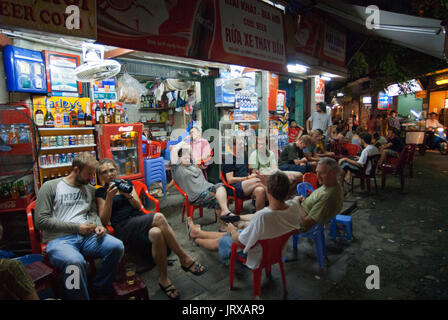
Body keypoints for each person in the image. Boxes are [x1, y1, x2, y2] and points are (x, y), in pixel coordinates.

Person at [95, 158, 206, 300]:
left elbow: (138, 206)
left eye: (112, 170)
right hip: (122, 227)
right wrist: (110, 198)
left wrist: (127, 194)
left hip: (138, 219)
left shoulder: (126, 184)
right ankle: (184, 257)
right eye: (104, 172)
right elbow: (104, 220)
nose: (109, 174)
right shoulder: (101, 192)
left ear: (116, 170)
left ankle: (163, 279)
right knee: (159, 217)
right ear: (100, 176)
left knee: (157, 232)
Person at [35, 152, 124, 300]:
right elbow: (40, 221)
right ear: (76, 170)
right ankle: (77, 296)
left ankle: (99, 287)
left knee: (117, 246)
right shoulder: (50, 186)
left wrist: (98, 225)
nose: (91, 178)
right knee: (74, 263)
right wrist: (76, 228)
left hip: (87, 237)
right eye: (88, 174)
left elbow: (93, 213)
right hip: (60, 240)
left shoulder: (89, 189)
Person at [171, 141, 233, 229]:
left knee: (221, 186)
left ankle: (225, 211)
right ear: (178, 159)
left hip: (207, 187)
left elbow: (190, 149)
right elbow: (174, 151)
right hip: (197, 195)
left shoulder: (192, 165)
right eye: (184, 157)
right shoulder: (177, 169)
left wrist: (187, 146)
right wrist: (182, 142)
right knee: (217, 199)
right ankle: (223, 226)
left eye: (188, 156)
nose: (188, 158)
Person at [293, 157, 344, 231]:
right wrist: (305, 200)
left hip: (297, 222)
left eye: (322, 173)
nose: (318, 176)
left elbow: (306, 223)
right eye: (317, 172)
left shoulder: (327, 197)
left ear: (333, 173)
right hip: (300, 210)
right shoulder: (331, 185)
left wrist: (296, 202)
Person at [222, 136, 268, 212]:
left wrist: (254, 173)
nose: (242, 146)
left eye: (242, 144)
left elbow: (247, 171)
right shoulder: (229, 159)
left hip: (247, 184)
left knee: (260, 190)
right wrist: (248, 178)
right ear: (233, 146)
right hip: (235, 186)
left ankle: (259, 216)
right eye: (240, 144)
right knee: (260, 181)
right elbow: (230, 180)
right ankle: (276, 204)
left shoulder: (244, 155)